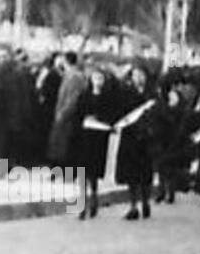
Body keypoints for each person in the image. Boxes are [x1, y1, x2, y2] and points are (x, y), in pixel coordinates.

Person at [73, 65, 122, 220]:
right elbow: (77, 113)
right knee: (82, 171)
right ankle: (82, 203)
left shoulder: (108, 97)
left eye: (100, 78)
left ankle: (94, 197)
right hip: (85, 136)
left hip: (98, 137)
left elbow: (112, 115)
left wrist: (102, 121)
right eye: (95, 78)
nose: (97, 81)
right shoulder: (84, 95)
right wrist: (85, 120)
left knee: (93, 171)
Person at [117, 64, 156, 220]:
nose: (138, 78)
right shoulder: (126, 93)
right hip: (130, 137)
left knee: (145, 171)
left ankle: (146, 201)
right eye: (135, 75)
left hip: (146, 138)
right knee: (130, 172)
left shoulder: (151, 94)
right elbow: (121, 112)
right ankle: (133, 205)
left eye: (141, 75)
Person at [48, 52, 86, 168]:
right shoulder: (69, 75)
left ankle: (68, 174)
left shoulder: (75, 76)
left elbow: (73, 99)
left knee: (67, 148)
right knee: (61, 148)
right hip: (64, 115)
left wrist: (62, 114)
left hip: (68, 118)